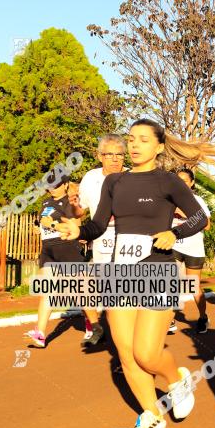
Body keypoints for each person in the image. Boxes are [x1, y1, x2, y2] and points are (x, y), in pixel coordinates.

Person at [56, 119, 215, 428]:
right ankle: (151, 413)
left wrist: (175, 232)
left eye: (143, 140)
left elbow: (201, 218)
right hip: (121, 273)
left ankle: (176, 379)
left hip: (158, 271)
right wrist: (78, 231)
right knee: (126, 352)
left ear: (158, 147)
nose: (134, 145)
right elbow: (99, 225)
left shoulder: (169, 182)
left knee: (146, 353)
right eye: (131, 139)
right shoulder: (114, 182)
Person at [75, 135, 128, 346]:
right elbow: (80, 209)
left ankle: (126, 348)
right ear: (100, 156)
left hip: (129, 241)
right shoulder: (91, 177)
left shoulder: (133, 176)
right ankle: (96, 326)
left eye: (119, 155)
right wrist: (71, 211)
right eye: (109, 155)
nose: (115, 159)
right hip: (100, 239)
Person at [24, 176, 85, 348]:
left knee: (79, 292)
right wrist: (40, 229)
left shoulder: (70, 202)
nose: (52, 189)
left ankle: (92, 324)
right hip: (48, 249)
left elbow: (75, 228)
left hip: (67, 249)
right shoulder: (45, 204)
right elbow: (45, 223)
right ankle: (40, 334)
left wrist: (51, 226)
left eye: (56, 185)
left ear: (65, 184)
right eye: (49, 186)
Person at [170, 168, 211, 333]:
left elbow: (207, 225)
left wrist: (185, 213)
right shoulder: (169, 200)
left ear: (192, 183)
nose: (181, 184)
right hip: (174, 246)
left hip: (193, 248)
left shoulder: (197, 200)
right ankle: (170, 319)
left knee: (193, 287)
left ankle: (203, 317)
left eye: (185, 181)